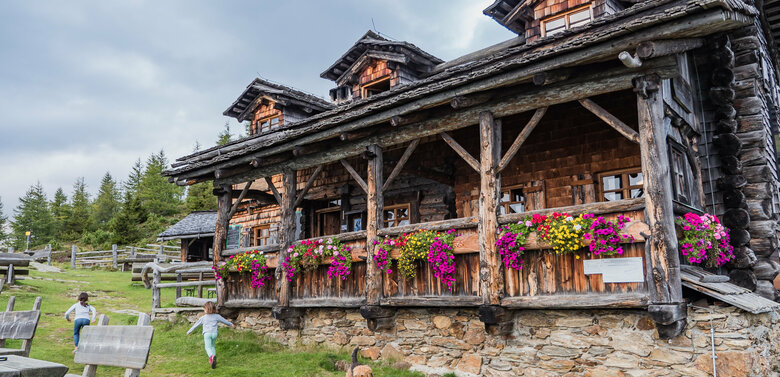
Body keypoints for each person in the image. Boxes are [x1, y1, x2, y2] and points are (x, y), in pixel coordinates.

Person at [187, 301, 233, 369]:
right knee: (212, 346)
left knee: (207, 347)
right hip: (214, 334)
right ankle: (214, 359)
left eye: (204, 309)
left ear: (206, 310)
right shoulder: (217, 316)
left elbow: (195, 325)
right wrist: (231, 324)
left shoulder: (203, 318)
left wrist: (189, 331)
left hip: (207, 334)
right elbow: (224, 321)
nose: (204, 310)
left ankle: (211, 357)